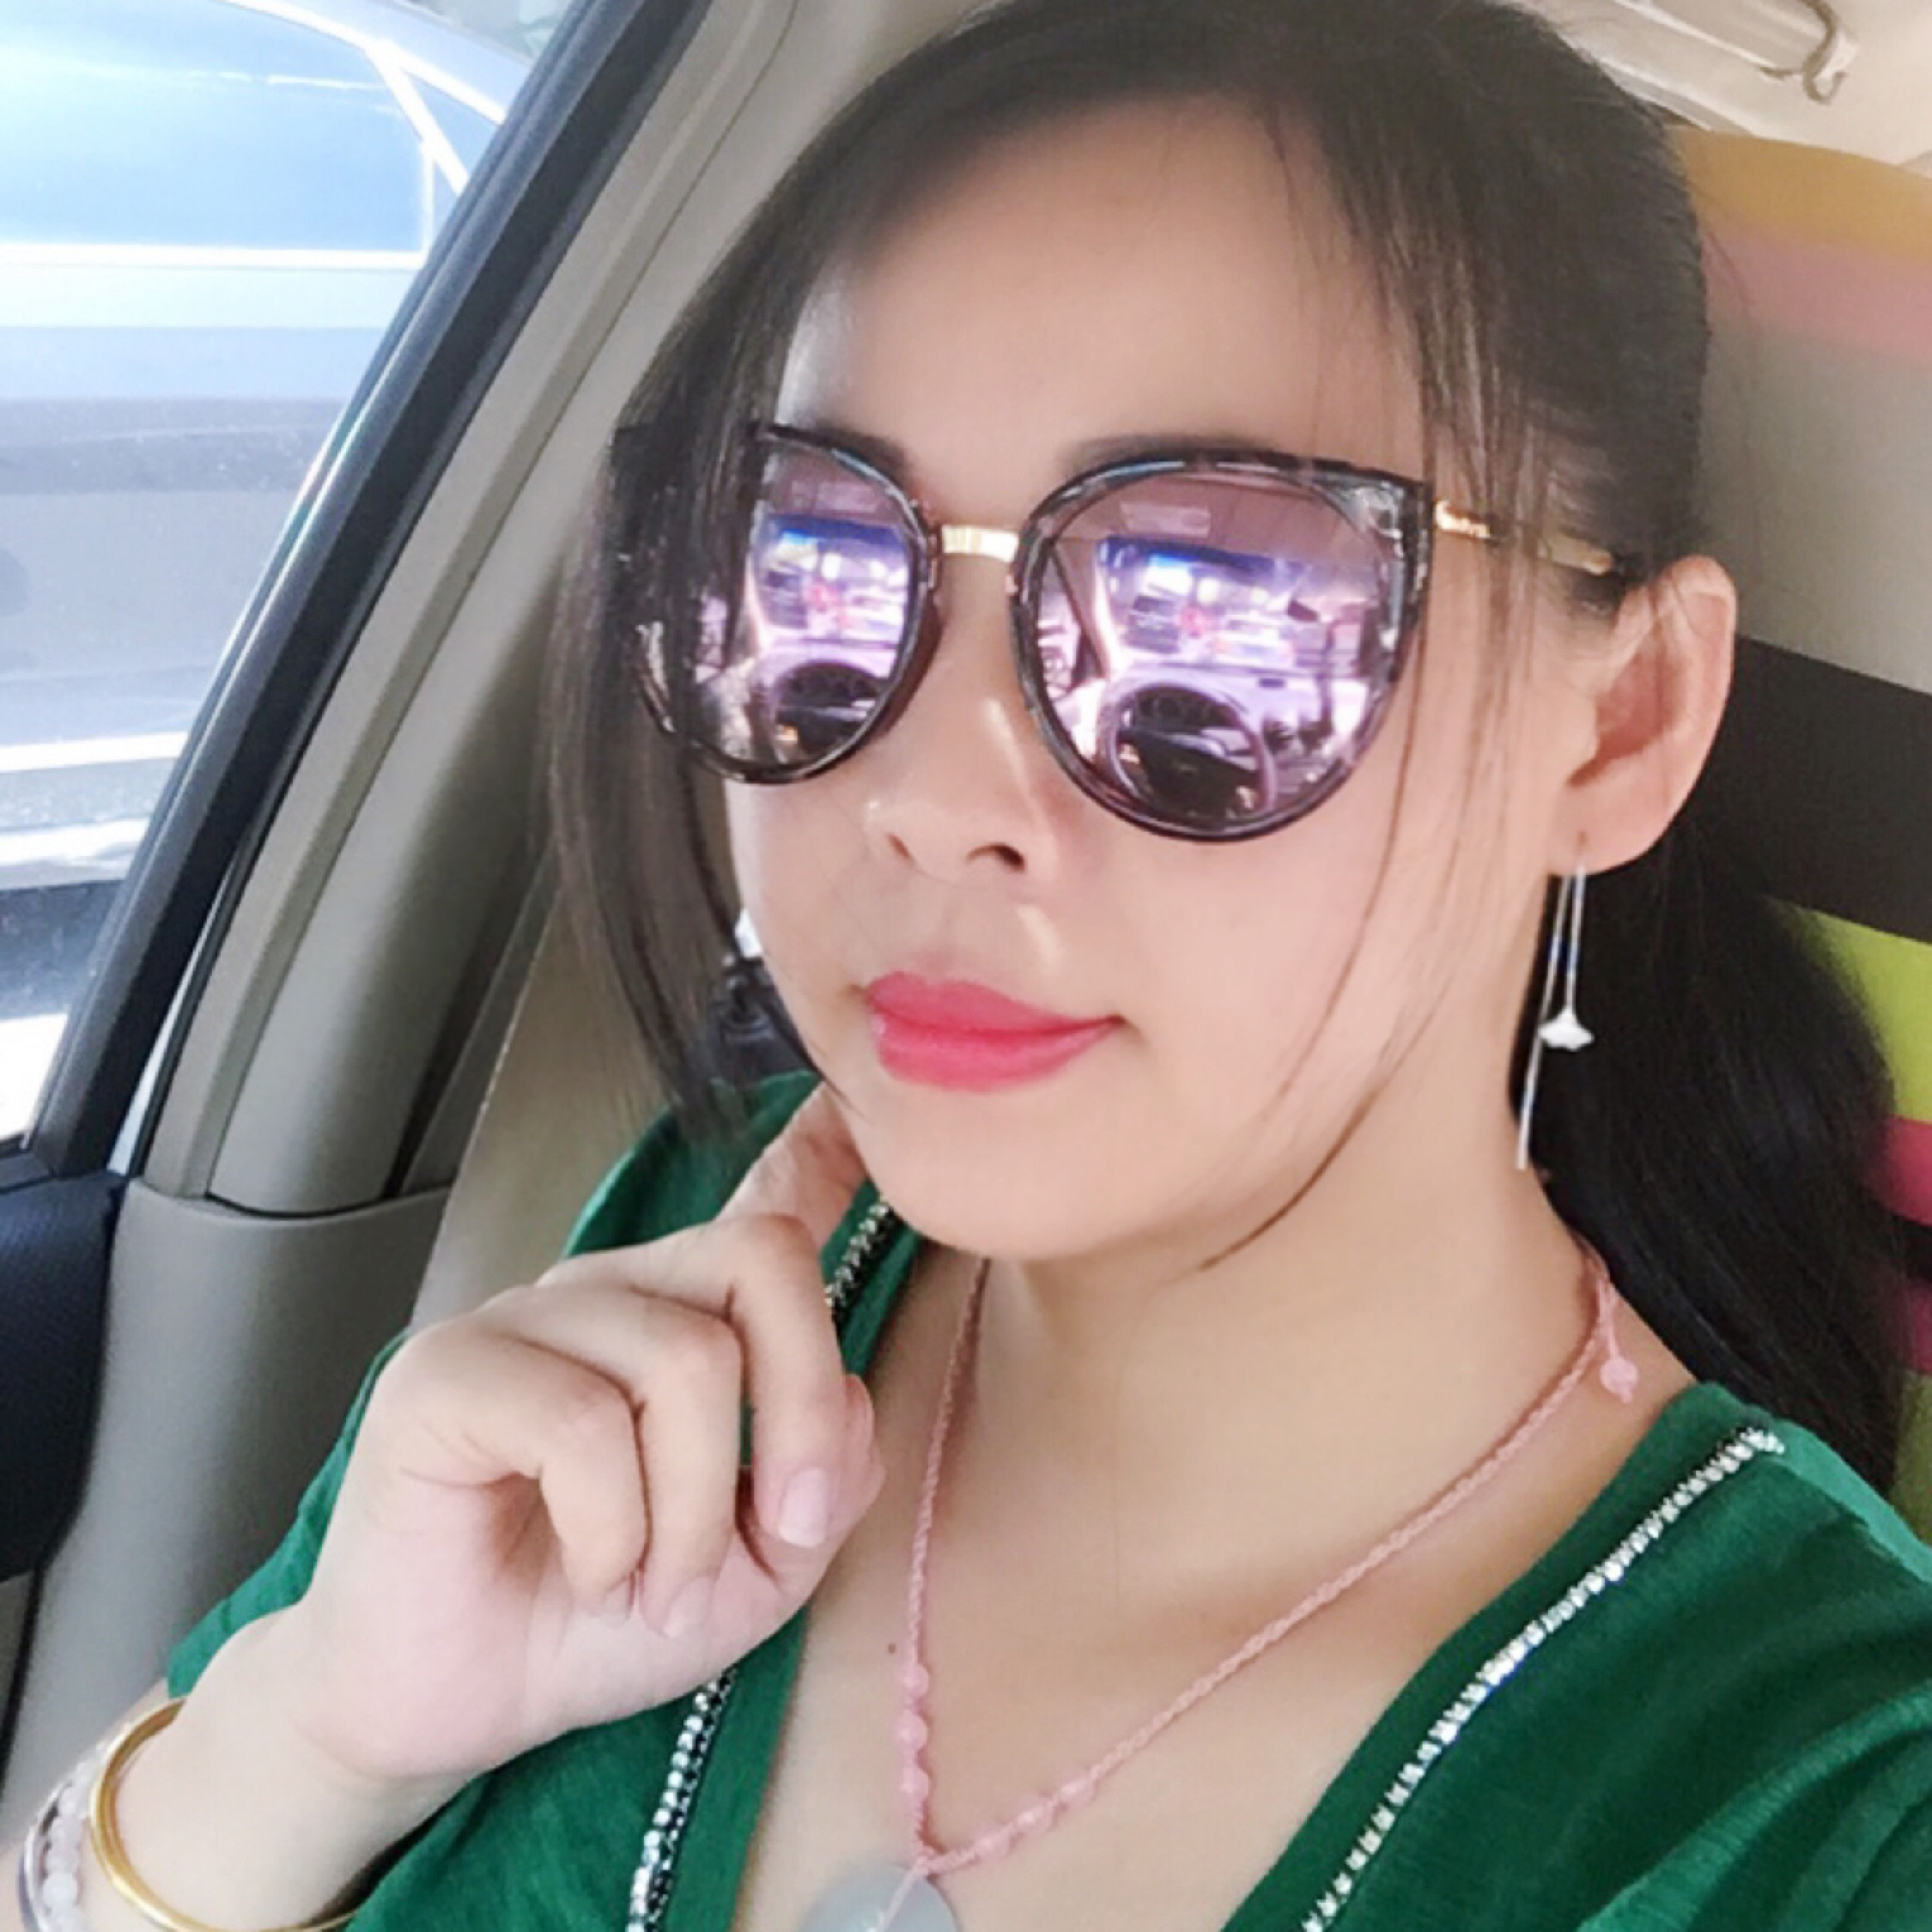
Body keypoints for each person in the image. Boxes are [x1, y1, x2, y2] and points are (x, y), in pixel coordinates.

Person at [13, 2, 1931, 1928]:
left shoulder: (1832, 1815)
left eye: (1216, 612)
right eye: (820, 568)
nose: (927, 800)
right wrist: (311, 1743)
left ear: (1617, 726)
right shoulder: (683, 1276)